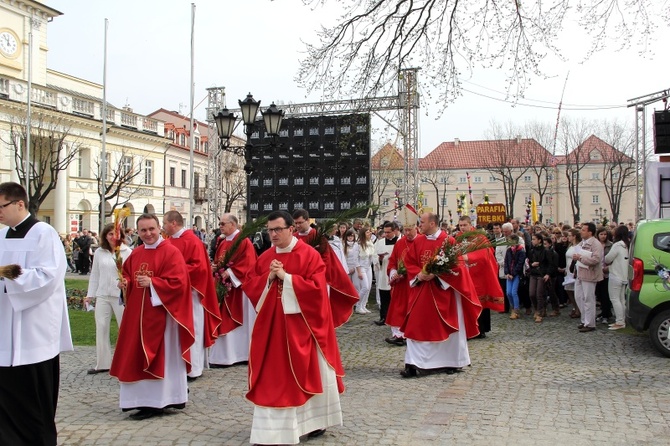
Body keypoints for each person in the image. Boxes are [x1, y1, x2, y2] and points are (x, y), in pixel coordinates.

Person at [244, 210, 345, 444]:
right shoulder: (265, 256)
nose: (273, 234)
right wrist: (269, 278)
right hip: (272, 328)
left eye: (278, 229)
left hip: (301, 327)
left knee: (307, 373)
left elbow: (318, 290)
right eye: (270, 230)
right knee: (273, 377)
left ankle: (315, 422)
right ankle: (270, 432)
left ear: (291, 229)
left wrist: (286, 277)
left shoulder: (308, 255)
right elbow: (251, 285)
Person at [0, 181, 73, 445]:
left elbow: (49, 276)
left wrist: (9, 279)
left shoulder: (44, 233)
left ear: (20, 204)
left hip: (34, 330)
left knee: (34, 399)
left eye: (2, 206)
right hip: (4, 328)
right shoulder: (2, 235)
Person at [110, 213, 194, 420]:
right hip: (137, 316)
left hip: (162, 317)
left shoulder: (171, 252)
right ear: (137, 232)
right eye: (143, 230)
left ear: (159, 229)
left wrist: (154, 284)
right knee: (135, 356)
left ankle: (161, 400)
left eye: (152, 229)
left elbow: (179, 284)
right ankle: (142, 400)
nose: (148, 234)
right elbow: (129, 275)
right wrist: (125, 283)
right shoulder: (135, 254)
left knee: (162, 359)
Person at [400, 212, 481, 377]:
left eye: (421, 222)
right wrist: (419, 274)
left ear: (432, 223)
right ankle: (414, 363)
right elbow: (409, 261)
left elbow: (457, 267)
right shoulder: (418, 241)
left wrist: (436, 275)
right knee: (417, 324)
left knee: (448, 326)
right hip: (422, 289)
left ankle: (451, 361)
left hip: (443, 291)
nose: (419, 225)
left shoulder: (448, 241)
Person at [163, 211, 221, 381]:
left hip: (191, 293)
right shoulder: (170, 241)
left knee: (192, 328)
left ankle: (193, 368)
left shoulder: (192, 241)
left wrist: (173, 274)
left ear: (174, 223)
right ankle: (178, 365)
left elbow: (200, 268)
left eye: (165, 223)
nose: (163, 226)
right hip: (173, 293)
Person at [293, 209, 358, 328]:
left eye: (300, 222)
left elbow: (326, 258)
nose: (297, 226)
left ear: (307, 220)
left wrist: (312, 271)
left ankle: (321, 327)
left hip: (316, 278)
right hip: (298, 279)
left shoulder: (318, 236)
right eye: (295, 223)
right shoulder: (293, 237)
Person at [210, 214, 258, 367]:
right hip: (225, 286)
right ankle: (225, 356)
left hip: (239, 289)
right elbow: (219, 260)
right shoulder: (223, 242)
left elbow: (249, 263)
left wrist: (230, 273)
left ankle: (241, 354)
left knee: (239, 321)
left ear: (233, 224)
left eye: (223, 223)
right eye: (220, 223)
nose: (220, 226)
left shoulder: (243, 241)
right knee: (223, 317)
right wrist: (215, 268)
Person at [84, 223, 132, 374]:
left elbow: (130, 274)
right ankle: (103, 363)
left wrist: (125, 283)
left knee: (123, 329)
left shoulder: (127, 252)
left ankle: (125, 362)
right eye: (110, 234)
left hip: (119, 296)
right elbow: (95, 275)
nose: (113, 237)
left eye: (116, 234)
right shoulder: (99, 252)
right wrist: (90, 295)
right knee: (102, 327)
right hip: (103, 294)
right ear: (105, 236)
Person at [457, 216, 504, 336]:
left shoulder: (479, 237)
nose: (462, 228)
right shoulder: (458, 238)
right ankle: (469, 329)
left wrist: (469, 257)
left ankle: (481, 329)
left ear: (470, 224)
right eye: (460, 225)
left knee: (481, 302)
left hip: (479, 274)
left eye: (464, 225)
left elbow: (486, 254)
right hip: (465, 274)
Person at [386, 222, 419, 345]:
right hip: (401, 283)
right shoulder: (400, 243)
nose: (407, 233)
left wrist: (409, 272)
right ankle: (398, 335)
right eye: (405, 230)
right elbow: (393, 260)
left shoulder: (422, 241)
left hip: (416, 281)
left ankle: (412, 333)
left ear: (416, 228)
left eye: (410, 230)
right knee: (398, 308)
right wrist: (394, 272)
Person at [572, 222, 604, 333]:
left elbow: (596, 259)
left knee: (588, 299)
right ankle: (584, 320)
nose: (581, 231)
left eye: (583, 230)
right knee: (579, 297)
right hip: (580, 273)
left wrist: (580, 258)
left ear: (590, 232)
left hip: (590, 274)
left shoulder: (595, 244)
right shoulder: (582, 242)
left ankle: (590, 323)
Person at [605, 225, 630, 330]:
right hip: (624, 275)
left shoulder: (617, 245)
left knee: (615, 299)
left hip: (616, 274)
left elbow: (607, 258)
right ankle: (622, 319)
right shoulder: (628, 244)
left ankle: (620, 321)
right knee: (621, 299)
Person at [373, 221, 398, 326]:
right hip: (383, 271)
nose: (386, 234)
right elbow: (374, 256)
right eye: (385, 232)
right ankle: (383, 317)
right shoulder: (380, 242)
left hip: (395, 272)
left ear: (395, 231)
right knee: (384, 296)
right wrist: (379, 259)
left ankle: (395, 319)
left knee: (395, 298)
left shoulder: (400, 241)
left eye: (389, 232)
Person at [353, 227, 375, 314]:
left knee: (368, 288)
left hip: (368, 267)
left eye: (370, 232)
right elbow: (355, 259)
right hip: (361, 267)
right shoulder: (358, 245)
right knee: (365, 287)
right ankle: (357, 305)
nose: (369, 234)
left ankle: (363, 305)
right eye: (367, 232)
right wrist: (358, 271)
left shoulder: (370, 243)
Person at [504, 234, 526, 319]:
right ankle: (513, 307)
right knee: (508, 292)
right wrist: (507, 273)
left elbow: (520, 264)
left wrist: (513, 274)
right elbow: (506, 262)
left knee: (514, 292)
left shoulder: (521, 251)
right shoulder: (509, 250)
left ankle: (516, 310)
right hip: (509, 275)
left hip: (516, 275)